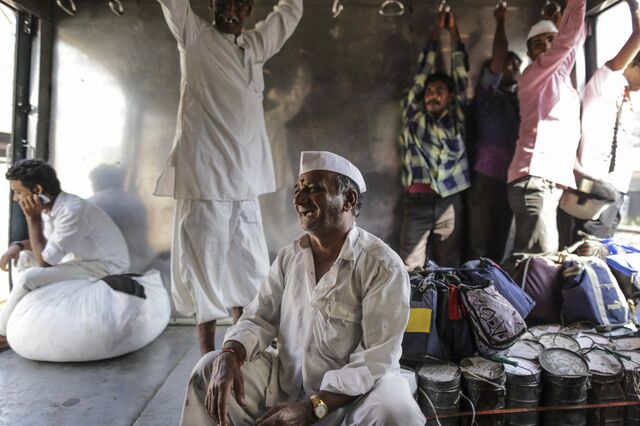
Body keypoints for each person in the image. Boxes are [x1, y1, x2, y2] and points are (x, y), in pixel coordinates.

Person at [179, 151, 425, 426]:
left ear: (349, 200)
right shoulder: (290, 256)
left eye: (314, 189)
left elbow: (375, 360)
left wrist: (313, 407)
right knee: (209, 369)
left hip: (352, 400)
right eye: (298, 191)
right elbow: (258, 317)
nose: (298, 199)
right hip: (287, 386)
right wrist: (231, 352)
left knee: (395, 410)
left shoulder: (382, 265)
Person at [154, 0, 303, 354]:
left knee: (250, 275)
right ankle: (207, 362)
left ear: (250, 9)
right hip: (206, 184)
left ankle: (241, 355)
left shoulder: (253, 47)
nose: (231, 10)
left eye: (239, 4)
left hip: (245, 186)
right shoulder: (194, 37)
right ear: (211, 5)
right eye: (224, 2)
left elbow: (291, 11)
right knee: (204, 276)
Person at [0, 160, 130, 351]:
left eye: (18, 192)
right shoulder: (50, 207)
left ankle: (2, 333)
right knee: (25, 257)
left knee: (30, 277)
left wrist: (32, 218)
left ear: (36, 189)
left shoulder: (72, 211)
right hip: (82, 261)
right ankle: (26, 316)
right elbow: (46, 245)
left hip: (105, 266)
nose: (15, 198)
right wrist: (18, 246)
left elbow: (45, 262)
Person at [507, 0, 586, 254]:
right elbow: (567, 42)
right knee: (537, 262)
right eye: (538, 43)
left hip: (546, 182)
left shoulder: (562, 80)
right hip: (534, 180)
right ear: (529, 54)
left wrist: (563, 17)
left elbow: (575, 40)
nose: (547, 47)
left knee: (540, 262)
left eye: (551, 39)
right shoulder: (533, 75)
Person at [399, 8, 470, 269]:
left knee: (450, 265)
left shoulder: (456, 117)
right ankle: (417, 311)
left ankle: (446, 311)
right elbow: (420, 75)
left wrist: (452, 31)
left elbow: (461, 76)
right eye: (429, 91)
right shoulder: (414, 117)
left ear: (450, 97)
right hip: (416, 203)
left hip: (449, 200)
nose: (432, 95)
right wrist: (434, 34)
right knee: (410, 267)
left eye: (439, 91)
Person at [466, 3, 522, 262]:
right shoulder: (489, 96)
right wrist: (500, 22)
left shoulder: (522, 101)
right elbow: (498, 58)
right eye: (509, 64)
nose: (515, 68)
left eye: (518, 66)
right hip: (485, 177)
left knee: (500, 246)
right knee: (478, 245)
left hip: (511, 180)